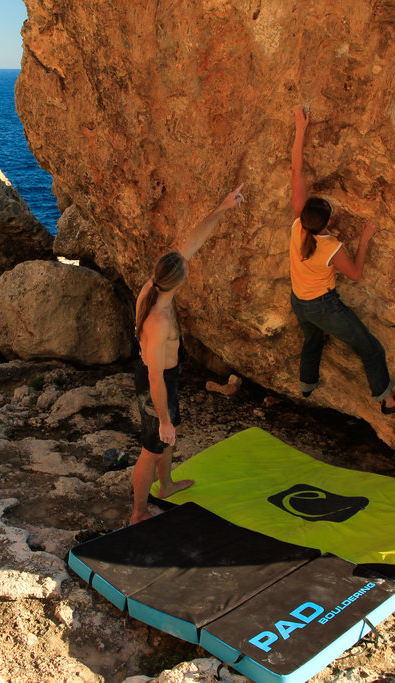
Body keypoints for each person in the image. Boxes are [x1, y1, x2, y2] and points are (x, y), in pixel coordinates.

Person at [130, 184, 246, 525]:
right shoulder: (159, 321)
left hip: (168, 376)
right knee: (152, 449)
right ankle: (138, 512)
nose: (188, 262)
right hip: (156, 383)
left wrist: (223, 207)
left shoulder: (155, 286)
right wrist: (163, 419)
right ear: (179, 281)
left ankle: (165, 486)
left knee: (167, 440)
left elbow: (192, 242)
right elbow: (153, 376)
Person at [289, 107, 395, 414]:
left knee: (312, 338)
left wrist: (300, 129)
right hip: (322, 306)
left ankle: (307, 386)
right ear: (325, 222)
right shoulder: (330, 247)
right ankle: (387, 400)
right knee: (370, 348)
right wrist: (365, 240)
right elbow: (355, 274)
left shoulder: (297, 224)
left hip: (299, 299)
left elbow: (296, 171)